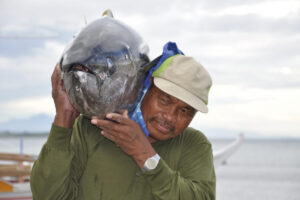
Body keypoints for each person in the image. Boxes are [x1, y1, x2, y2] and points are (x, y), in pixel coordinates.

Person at [30, 53, 216, 200]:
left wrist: (144, 153)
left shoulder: (194, 145)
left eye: (185, 111)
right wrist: (65, 116)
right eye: (165, 100)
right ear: (148, 86)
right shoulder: (93, 127)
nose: (169, 117)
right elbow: (47, 195)